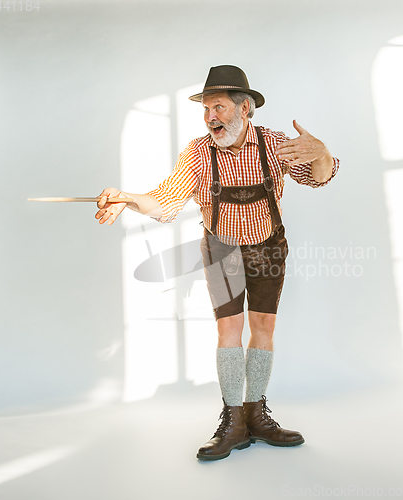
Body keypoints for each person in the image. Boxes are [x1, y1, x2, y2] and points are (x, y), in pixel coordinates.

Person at [95, 65, 339, 461]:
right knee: (229, 330)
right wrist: (127, 197)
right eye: (207, 108)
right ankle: (233, 421)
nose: (211, 117)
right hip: (221, 247)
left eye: (220, 107)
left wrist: (322, 153)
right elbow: (166, 200)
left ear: (246, 110)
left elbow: (320, 177)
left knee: (263, 326)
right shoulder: (197, 152)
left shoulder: (274, 144)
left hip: (268, 246)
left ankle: (257, 414)